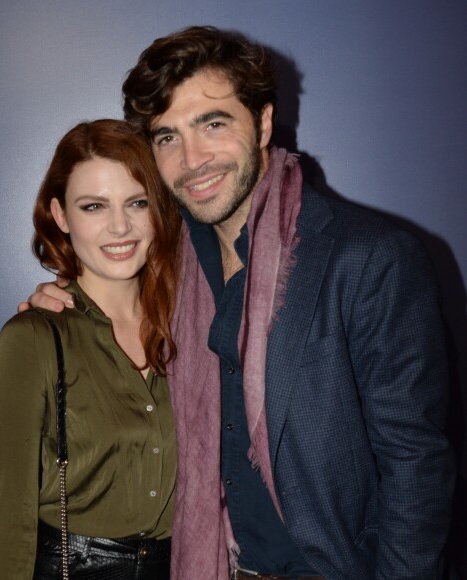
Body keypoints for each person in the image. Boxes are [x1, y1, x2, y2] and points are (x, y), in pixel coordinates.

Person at [23, 27, 454, 580]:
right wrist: (57, 304)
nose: (192, 159)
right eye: (167, 137)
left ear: (264, 123)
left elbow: (415, 464)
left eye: (213, 123)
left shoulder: (371, 257)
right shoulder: (165, 266)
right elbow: (107, 314)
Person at [0, 119, 181, 579]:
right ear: (61, 215)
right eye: (93, 206)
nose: (119, 226)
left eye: (137, 202)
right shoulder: (31, 340)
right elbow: (9, 513)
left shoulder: (192, 330)